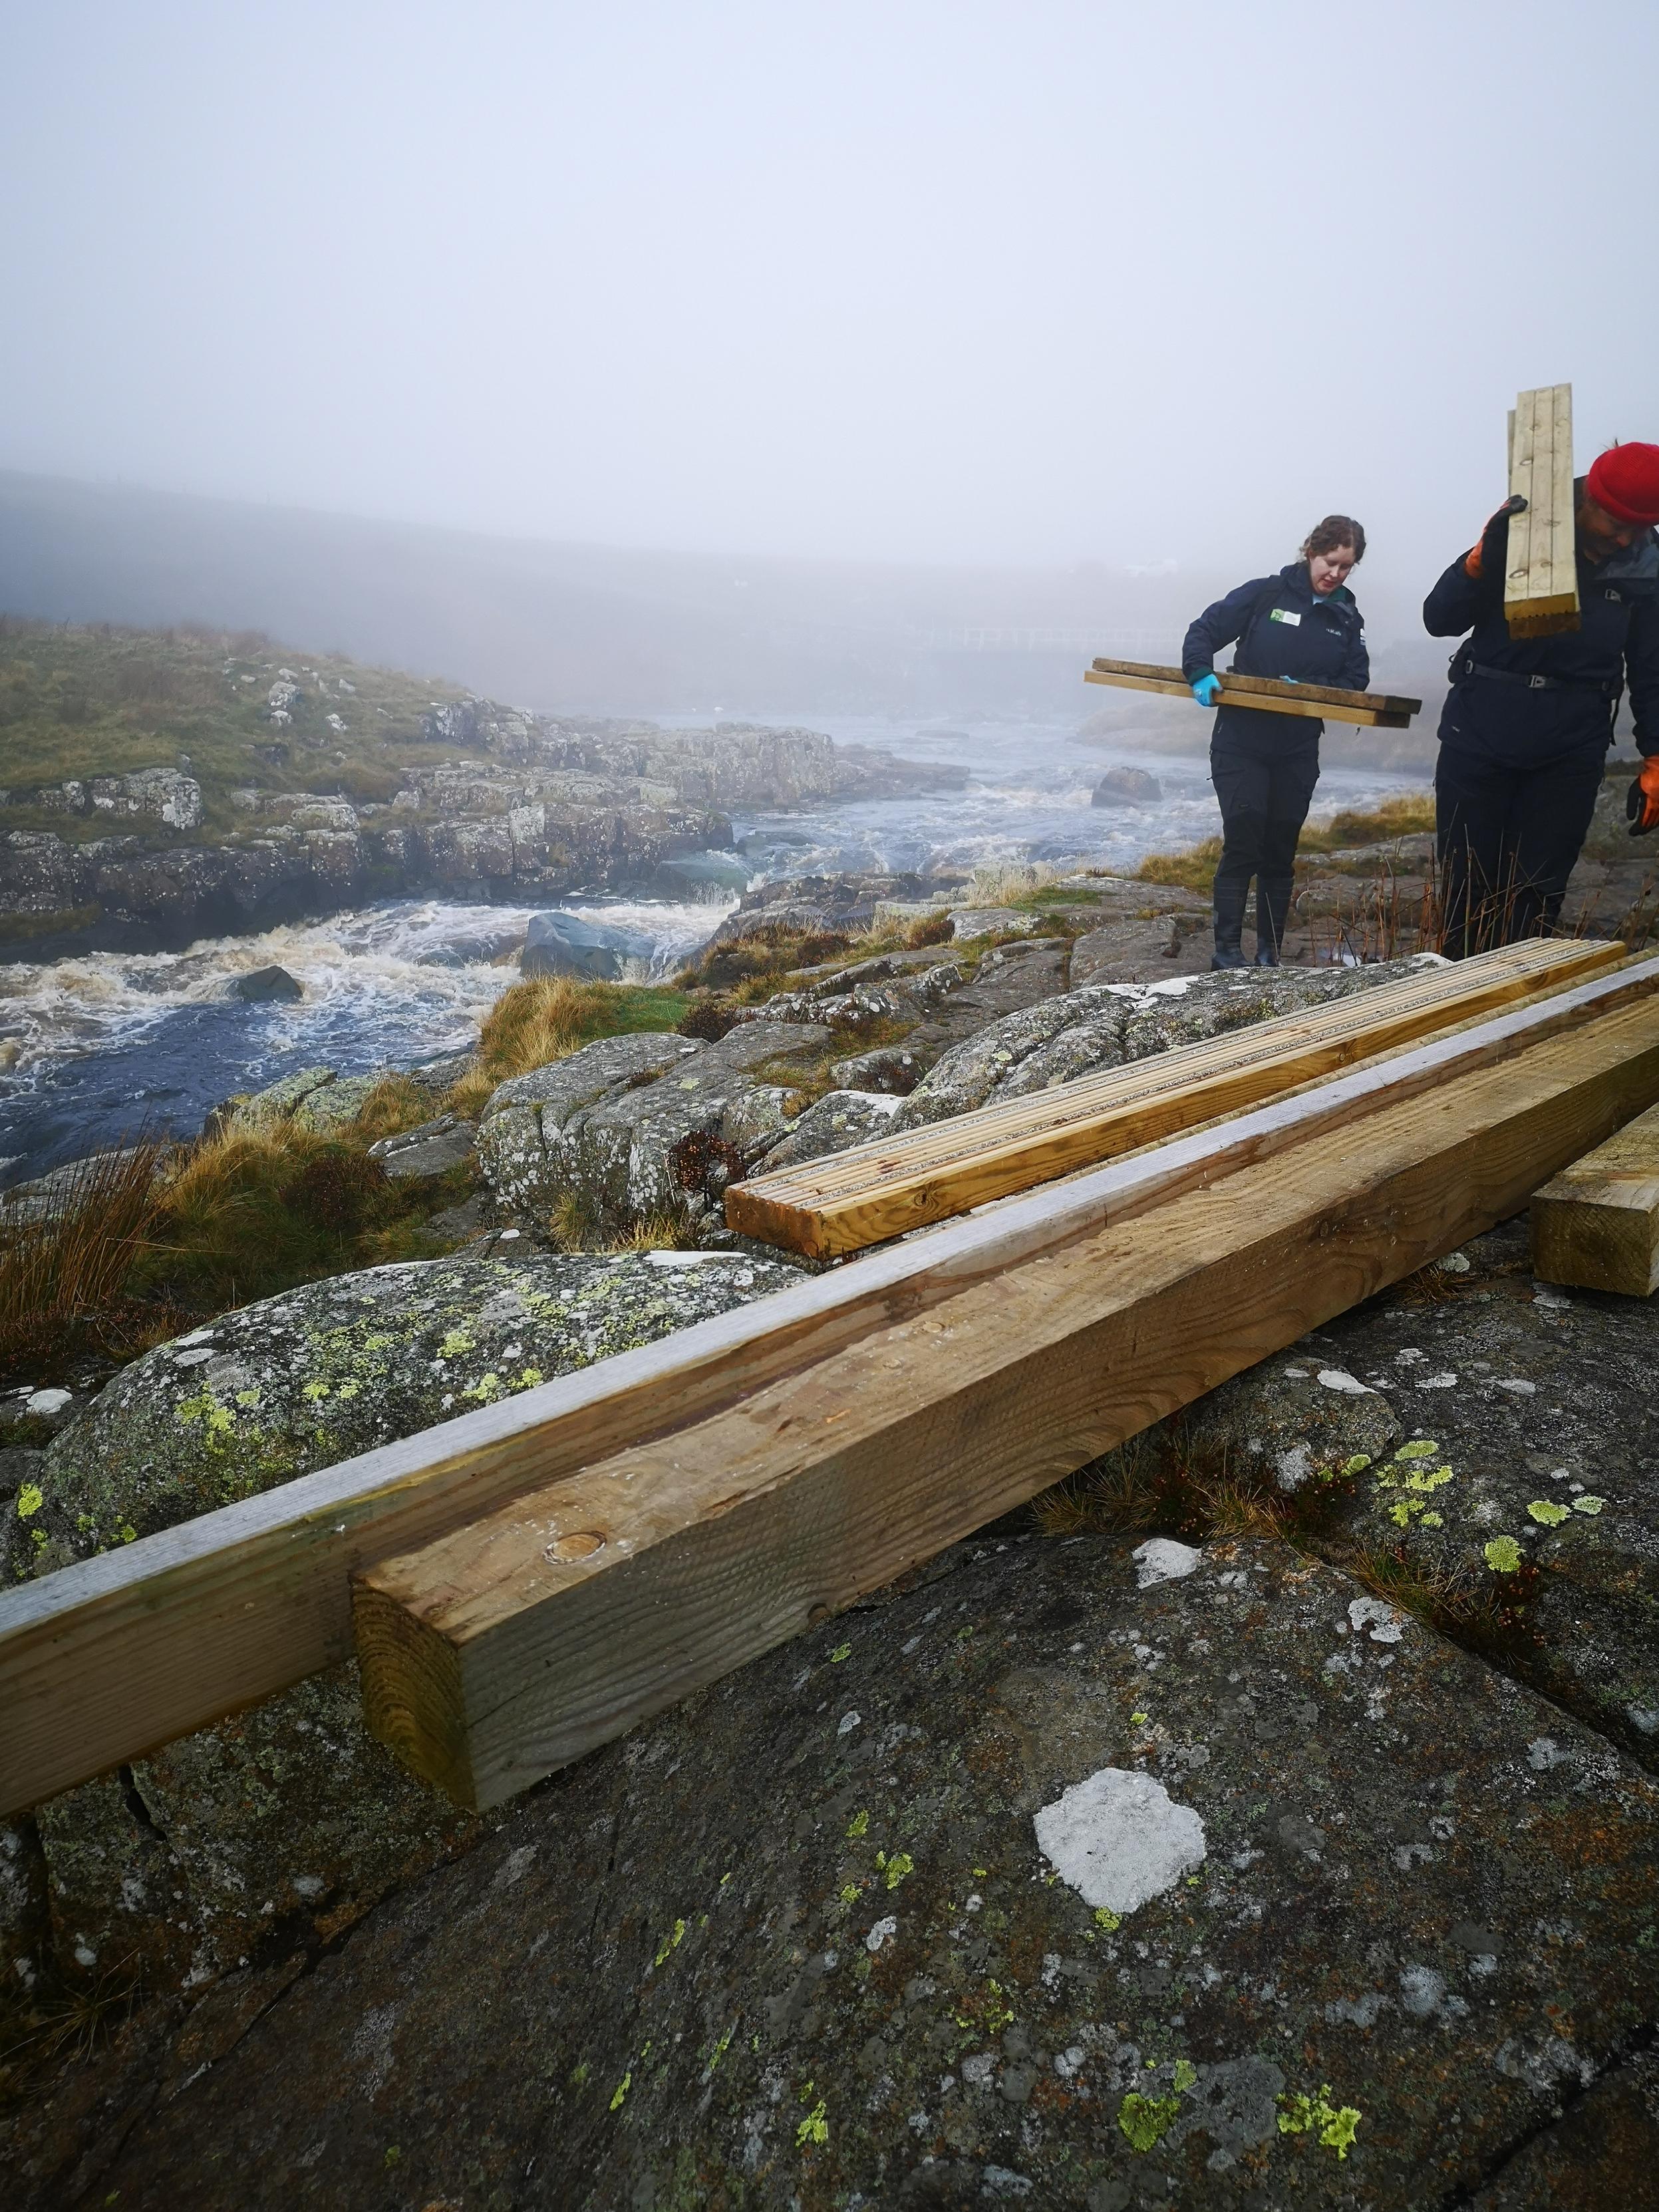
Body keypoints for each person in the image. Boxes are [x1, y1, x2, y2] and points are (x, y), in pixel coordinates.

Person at [1423, 441, 1659, 955]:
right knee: (1467, 892)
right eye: (1615, 523)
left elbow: (1652, 667)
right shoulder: (1521, 530)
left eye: (1637, 529)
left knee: (1536, 898)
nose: (1623, 539)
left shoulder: (1647, 570)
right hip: (1479, 733)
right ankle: (1455, 1015)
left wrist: (1656, 755)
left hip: (1571, 748)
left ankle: (1515, 1014)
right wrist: (1479, 563)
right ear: (1587, 498)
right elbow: (1439, 618)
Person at [1181, 518, 1370, 968]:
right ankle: (1227, 950)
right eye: (1331, 562)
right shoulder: (1266, 594)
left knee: (1280, 845)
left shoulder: (1346, 616)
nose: (1337, 574)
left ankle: (1269, 953)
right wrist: (1200, 671)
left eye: (1347, 567)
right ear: (1311, 552)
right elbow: (1203, 629)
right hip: (1241, 740)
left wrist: (1306, 684)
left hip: (1298, 748)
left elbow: (1356, 680)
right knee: (1245, 836)